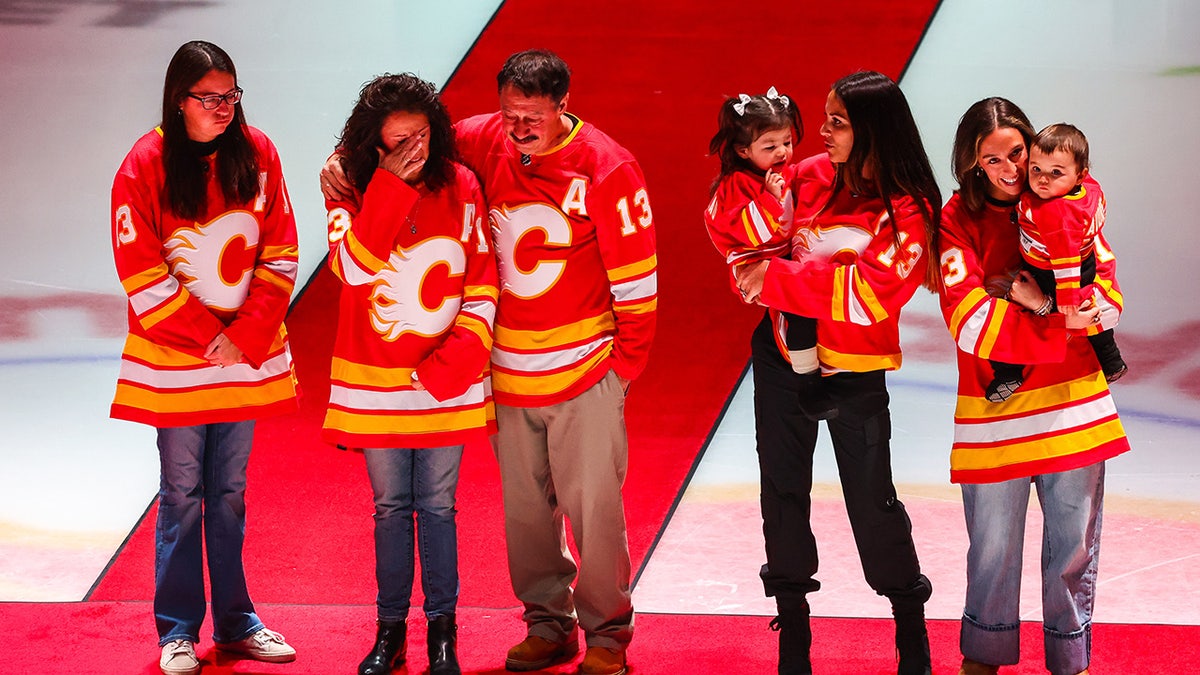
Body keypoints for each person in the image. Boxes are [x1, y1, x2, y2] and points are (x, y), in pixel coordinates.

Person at [322, 48, 656, 675]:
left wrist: (624, 369)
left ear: (563, 105)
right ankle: (547, 625)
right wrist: (338, 165)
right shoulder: (484, 139)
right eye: (510, 114)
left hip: (584, 369)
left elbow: (638, 280)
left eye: (534, 116)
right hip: (507, 373)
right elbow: (405, 145)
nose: (521, 127)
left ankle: (608, 634)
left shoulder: (608, 168)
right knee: (527, 516)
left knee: (596, 513)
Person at [736, 70, 939, 675]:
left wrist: (776, 281)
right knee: (782, 495)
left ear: (872, 130)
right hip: (779, 359)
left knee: (872, 503)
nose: (817, 133)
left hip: (853, 373)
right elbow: (743, 244)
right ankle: (793, 637)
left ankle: (911, 628)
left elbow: (869, 296)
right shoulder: (805, 176)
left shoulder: (907, 207)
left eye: (836, 122)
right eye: (823, 118)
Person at [110, 40, 299, 675]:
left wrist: (243, 334)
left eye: (231, 96)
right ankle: (177, 632)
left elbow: (281, 251)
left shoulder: (259, 153)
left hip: (240, 353)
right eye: (209, 98)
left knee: (229, 491)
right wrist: (203, 337)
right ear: (178, 100)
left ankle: (239, 621)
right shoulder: (144, 163)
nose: (223, 108)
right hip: (177, 357)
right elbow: (139, 269)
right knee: (183, 491)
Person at [936, 97, 1131, 675]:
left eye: (1016, 153)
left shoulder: (1071, 203)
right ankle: (985, 655)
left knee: (1072, 547)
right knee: (992, 550)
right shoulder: (955, 220)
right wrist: (1059, 320)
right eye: (990, 159)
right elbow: (968, 323)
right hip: (994, 413)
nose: (1009, 169)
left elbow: (1108, 295)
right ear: (971, 164)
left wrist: (1067, 309)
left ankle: (1070, 660)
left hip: (1076, 405)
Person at [320, 73, 499, 675]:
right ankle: (389, 632)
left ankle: (443, 636)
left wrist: (455, 365)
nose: (414, 153)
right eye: (398, 144)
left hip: (445, 378)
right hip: (374, 379)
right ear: (374, 146)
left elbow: (481, 283)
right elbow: (351, 268)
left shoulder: (463, 185)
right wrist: (389, 187)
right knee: (392, 507)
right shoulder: (349, 189)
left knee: (440, 506)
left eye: (420, 138)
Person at [703, 87, 836, 421]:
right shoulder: (736, 186)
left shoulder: (783, 173)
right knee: (799, 311)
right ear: (743, 150)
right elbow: (741, 234)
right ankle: (808, 380)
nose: (782, 152)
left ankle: (821, 365)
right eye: (770, 146)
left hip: (786, 255)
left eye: (787, 142)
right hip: (755, 263)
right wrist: (769, 201)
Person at [984, 122, 1127, 401]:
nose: (1042, 180)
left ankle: (1007, 372)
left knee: (1011, 313)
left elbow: (1066, 260)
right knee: (1093, 315)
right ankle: (1111, 361)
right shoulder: (1088, 188)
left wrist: (1065, 305)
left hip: (1053, 272)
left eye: (1055, 173)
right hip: (1081, 263)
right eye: (1036, 169)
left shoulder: (1055, 212)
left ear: (1079, 174)